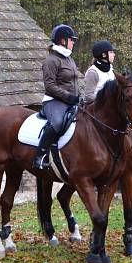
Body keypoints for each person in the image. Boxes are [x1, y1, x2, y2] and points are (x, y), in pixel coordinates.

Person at [34, 24, 80, 170]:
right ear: (62, 41)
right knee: (58, 123)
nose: (73, 42)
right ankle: (40, 156)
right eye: (71, 40)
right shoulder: (51, 60)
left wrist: (79, 97)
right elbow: (50, 86)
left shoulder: (69, 59)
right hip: (53, 101)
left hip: (70, 100)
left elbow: (74, 81)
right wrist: (68, 97)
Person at [82, 40, 115, 104]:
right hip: (94, 110)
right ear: (104, 55)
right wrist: (107, 98)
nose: (114, 54)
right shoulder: (93, 72)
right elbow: (88, 96)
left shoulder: (111, 70)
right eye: (111, 52)